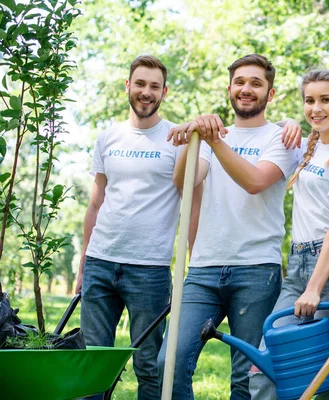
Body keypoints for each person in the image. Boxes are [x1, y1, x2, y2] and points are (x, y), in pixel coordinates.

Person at [157, 54, 299, 400]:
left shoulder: (281, 138)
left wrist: (213, 140)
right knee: (168, 363)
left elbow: (254, 181)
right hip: (203, 270)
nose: (246, 89)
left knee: (246, 378)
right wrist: (194, 136)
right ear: (229, 88)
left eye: (255, 83)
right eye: (240, 82)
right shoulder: (212, 136)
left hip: (256, 271)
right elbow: (185, 182)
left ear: (271, 93)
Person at [248, 70, 329, 400]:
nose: (315, 108)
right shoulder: (308, 147)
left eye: (326, 100)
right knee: (265, 364)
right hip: (298, 262)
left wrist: (314, 289)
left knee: (327, 374)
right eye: (309, 100)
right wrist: (290, 122)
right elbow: (285, 130)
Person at [77, 55, 179, 400]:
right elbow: (96, 203)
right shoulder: (108, 137)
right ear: (128, 86)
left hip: (149, 269)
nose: (146, 92)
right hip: (100, 261)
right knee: (92, 361)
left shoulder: (177, 140)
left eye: (154, 86)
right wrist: (83, 264)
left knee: (148, 365)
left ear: (163, 92)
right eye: (140, 84)